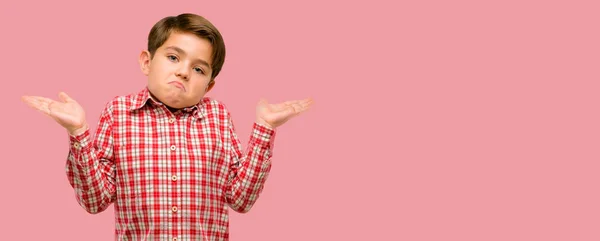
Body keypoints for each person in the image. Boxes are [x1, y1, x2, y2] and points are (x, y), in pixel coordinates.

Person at [21, 13, 313, 240]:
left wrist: (264, 128)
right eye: (173, 57)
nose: (183, 71)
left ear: (209, 84)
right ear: (147, 61)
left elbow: (241, 200)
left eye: (199, 68)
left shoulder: (218, 117)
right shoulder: (118, 113)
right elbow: (95, 201)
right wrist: (78, 132)